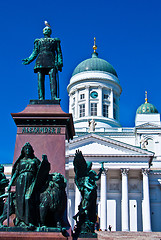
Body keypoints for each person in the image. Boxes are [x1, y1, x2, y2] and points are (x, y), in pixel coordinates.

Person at [22, 25, 63, 100]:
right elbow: (35, 52)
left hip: (52, 60)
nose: (46, 31)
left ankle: (54, 96)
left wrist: (60, 62)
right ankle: (41, 97)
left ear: (50, 32)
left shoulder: (55, 41)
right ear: (43, 31)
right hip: (40, 61)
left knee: (53, 79)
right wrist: (29, 59)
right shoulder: (38, 41)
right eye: (45, 29)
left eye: (48, 29)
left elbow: (59, 52)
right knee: (40, 79)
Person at [8, 142, 41, 228]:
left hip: (31, 181)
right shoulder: (21, 161)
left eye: (29, 149)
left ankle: (29, 220)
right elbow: (15, 173)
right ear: (23, 151)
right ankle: (21, 221)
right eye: (26, 149)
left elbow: (41, 171)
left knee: (28, 199)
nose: (27, 150)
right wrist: (10, 184)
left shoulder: (35, 161)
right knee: (20, 200)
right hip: (21, 181)